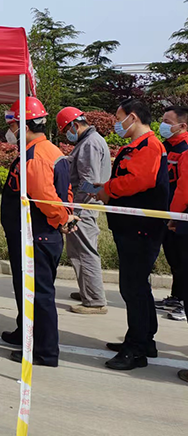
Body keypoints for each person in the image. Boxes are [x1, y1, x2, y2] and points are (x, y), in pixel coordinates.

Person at [0, 97, 75, 368]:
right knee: (26, 289)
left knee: (39, 293)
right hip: (33, 232)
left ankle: (43, 351)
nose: (10, 130)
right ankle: (26, 332)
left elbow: (44, 196)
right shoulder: (48, 150)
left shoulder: (36, 155)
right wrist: (65, 214)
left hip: (38, 233)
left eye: (12, 124)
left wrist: (61, 217)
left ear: (23, 125)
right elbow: (63, 190)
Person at [96, 99, 169, 371]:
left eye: (119, 117)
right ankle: (144, 339)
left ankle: (136, 350)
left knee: (133, 288)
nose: (116, 122)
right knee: (139, 286)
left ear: (133, 118)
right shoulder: (136, 147)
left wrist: (108, 190)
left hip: (142, 229)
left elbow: (139, 181)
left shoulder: (150, 146)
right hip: (131, 226)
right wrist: (106, 187)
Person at [55, 107, 112, 315]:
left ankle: (95, 300)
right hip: (85, 205)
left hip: (84, 206)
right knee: (79, 249)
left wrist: (75, 210)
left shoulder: (90, 144)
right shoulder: (89, 141)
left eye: (66, 131)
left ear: (75, 126)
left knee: (85, 251)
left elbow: (89, 182)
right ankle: (88, 290)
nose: (67, 136)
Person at [157, 106, 188, 322]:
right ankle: (177, 296)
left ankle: (184, 304)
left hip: (180, 213)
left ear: (182, 126)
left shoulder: (185, 149)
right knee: (175, 258)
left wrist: (174, 215)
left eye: (168, 121)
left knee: (184, 259)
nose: (163, 125)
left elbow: (183, 188)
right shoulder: (165, 146)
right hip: (167, 210)